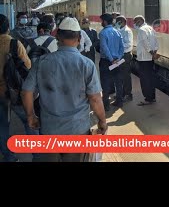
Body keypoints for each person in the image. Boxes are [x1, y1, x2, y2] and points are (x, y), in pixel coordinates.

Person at [21, 17, 107, 162]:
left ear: (57, 37)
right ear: (79, 38)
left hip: (49, 130)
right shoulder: (87, 64)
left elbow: (26, 92)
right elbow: (95, 98)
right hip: (77, 130)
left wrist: (31, 116)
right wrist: (102, 121)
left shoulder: (42, 62)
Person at [0, 14, 31, 162]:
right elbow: (27, 66)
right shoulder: (14, 43)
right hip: (15, 92)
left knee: (2, 125)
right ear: (7, 28)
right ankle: (37, 154)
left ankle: (9, 156)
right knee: (28, 121)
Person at [99, 13, 124, 110]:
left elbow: (105, 48)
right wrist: (118, 58)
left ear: (105, 21)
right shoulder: (117, 32)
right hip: (117, 61)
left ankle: (106, 106)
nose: (101, 23)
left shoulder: (102, 33)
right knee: (118, 82)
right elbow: (122, 47)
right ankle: (119, 102)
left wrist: (111, 59)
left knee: (105, 83)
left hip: (106, 61)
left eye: (102, 21)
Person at [133, 15, 159, 106]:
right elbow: (156, 41)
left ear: (140, 21)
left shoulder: (141, 30)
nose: (134, 24)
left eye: (135, 22)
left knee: (145, 79)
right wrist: (154, 52)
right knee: (151, 78)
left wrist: (151, 52)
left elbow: (145, 43)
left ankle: (148, 99)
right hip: (150, 59)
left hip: (144, 58)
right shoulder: (150, 28)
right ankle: (152, 97)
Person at [116, 16, 133, 102]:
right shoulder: (120, 30)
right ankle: (122, 93)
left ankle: (128, 94)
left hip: (125, 55)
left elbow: (129, 44)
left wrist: (119, 46)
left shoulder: (127, 31)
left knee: (126, 75)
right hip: (121, 55)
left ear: (123, 22)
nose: (116, 24)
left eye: (118, 22)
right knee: (121, 75)